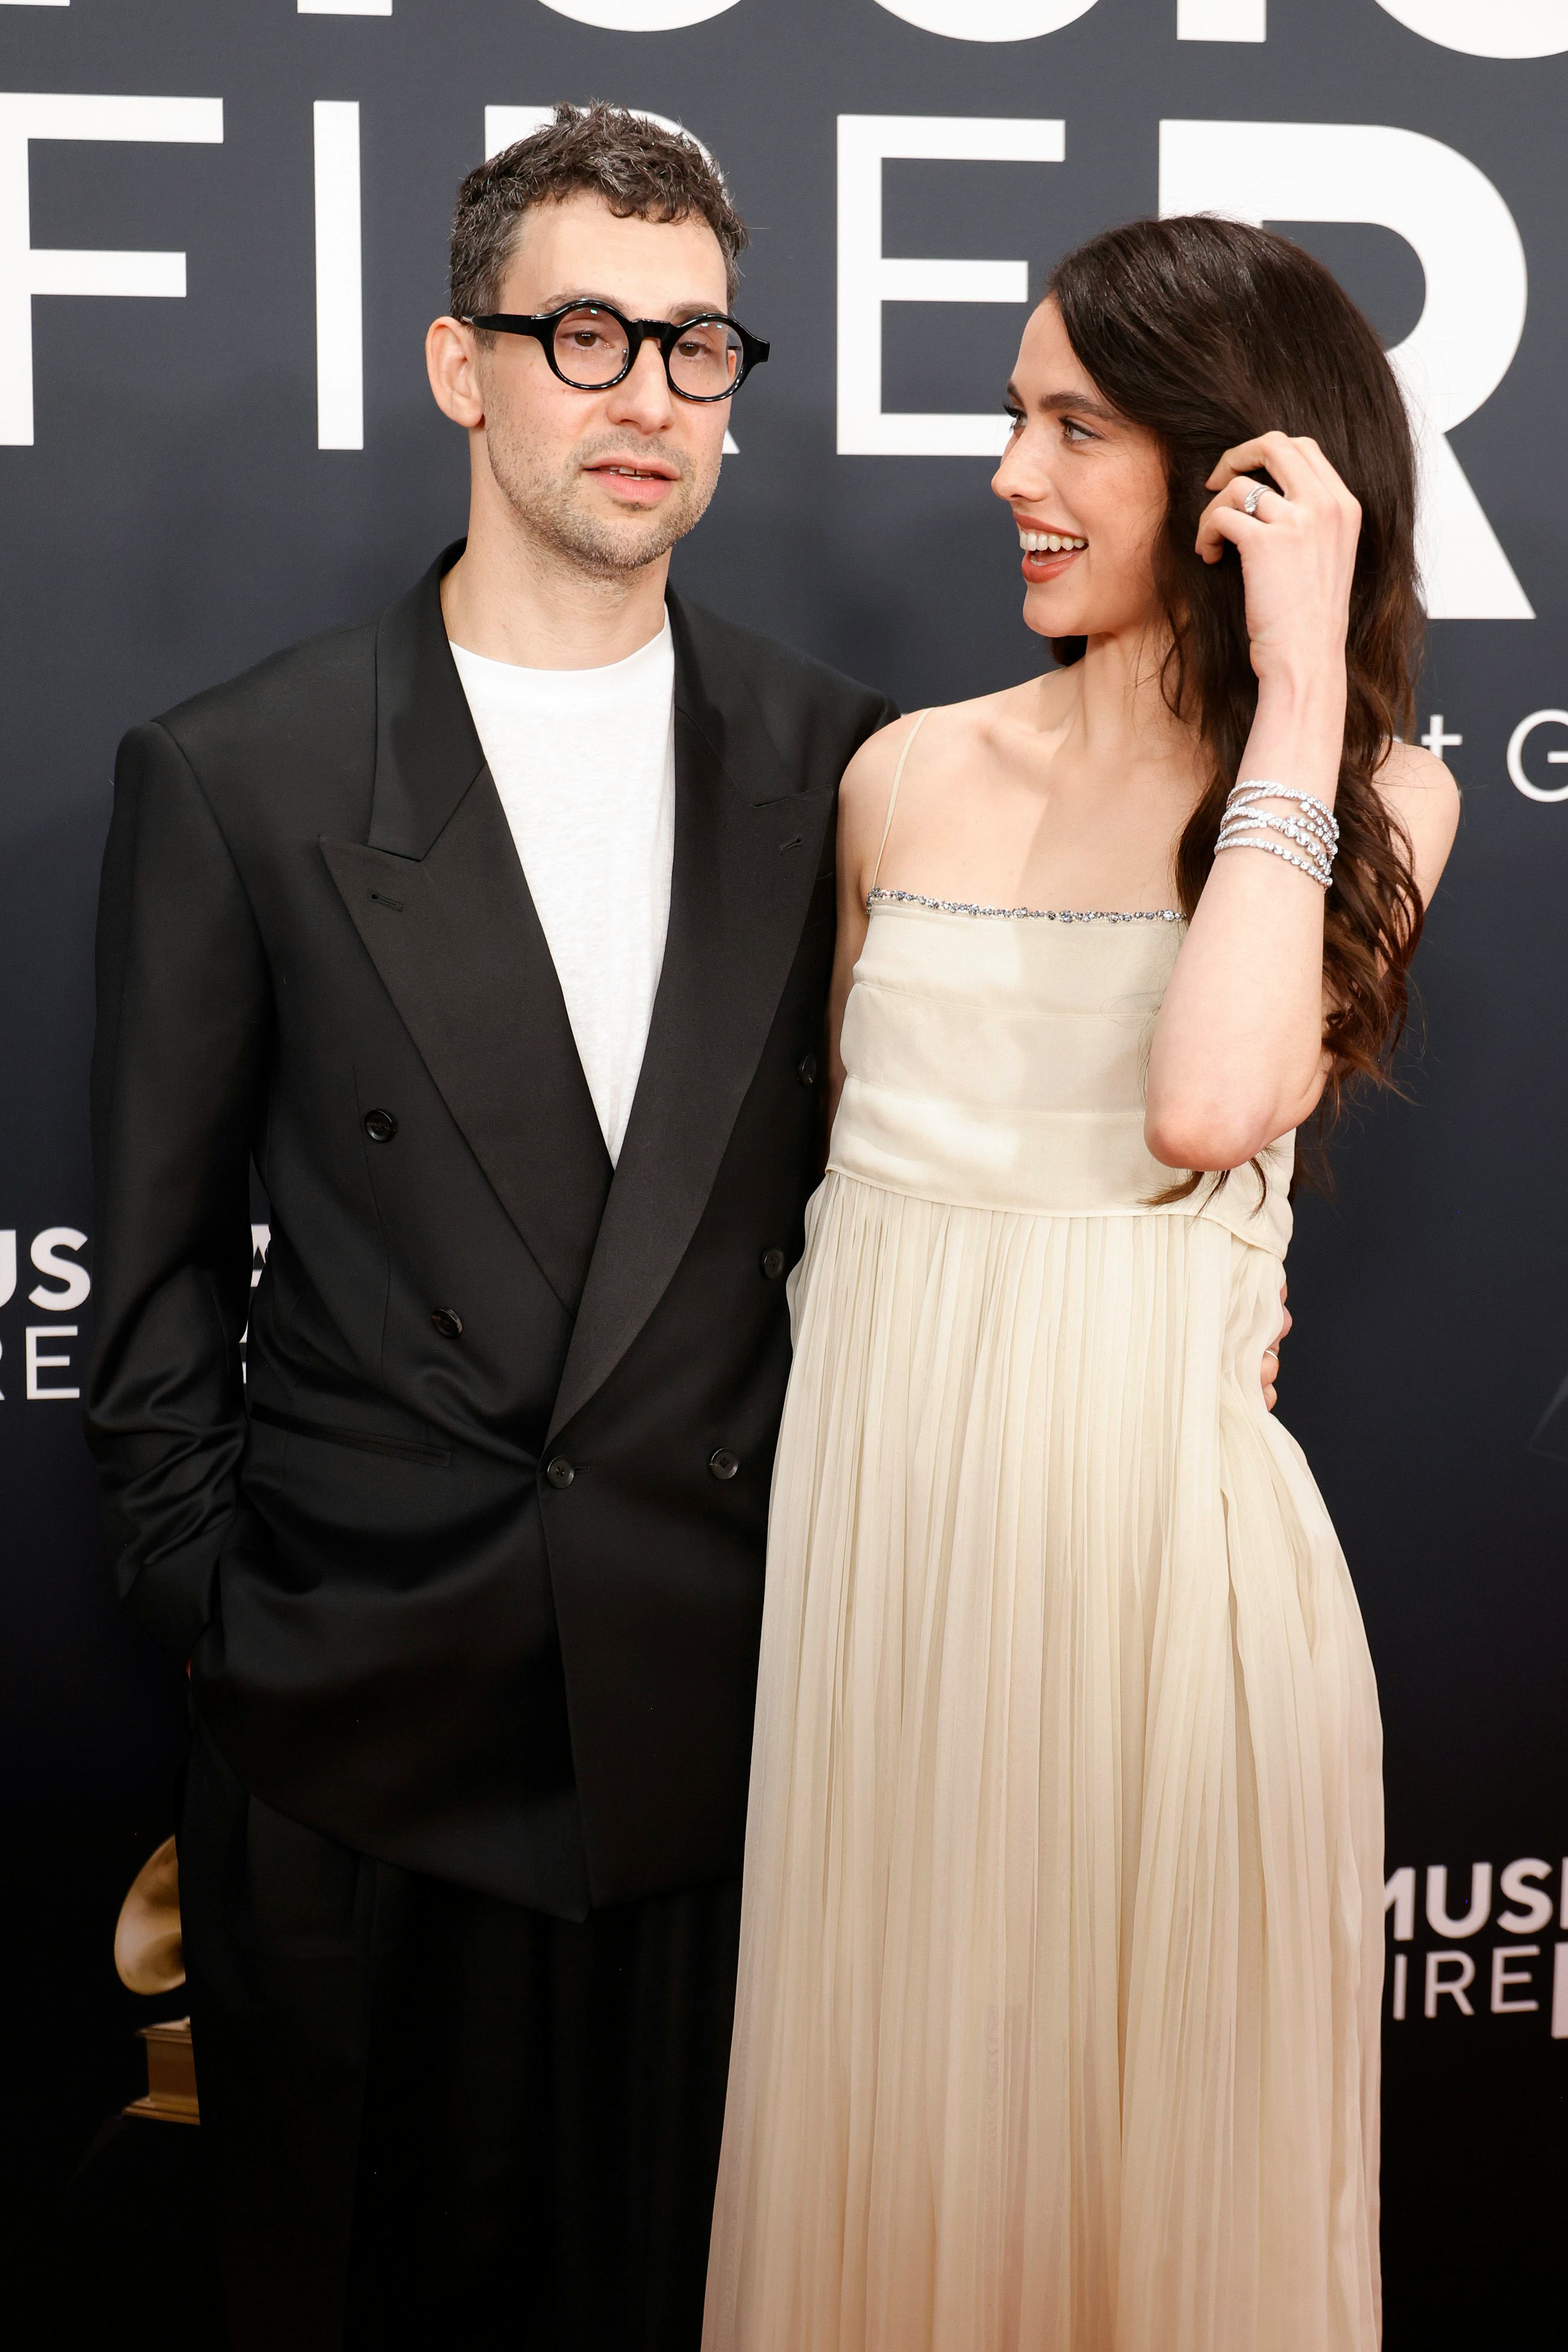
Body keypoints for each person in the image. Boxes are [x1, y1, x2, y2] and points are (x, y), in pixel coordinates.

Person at [84, 104, 896, 2352]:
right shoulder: (238, 773)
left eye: (698, 345)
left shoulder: (848, 768)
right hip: (361, 1746)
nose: (647, 396)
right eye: (586, 334)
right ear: (465, 367)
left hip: (730, 1752)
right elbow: (147, 1299)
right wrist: (243, 1639)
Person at [703, 215, 1459, 2352]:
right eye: (1015, 416)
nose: (1012, 472)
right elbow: (858, 1201)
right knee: (908, 2189)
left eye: (1074, 427)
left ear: (1238, 479)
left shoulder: (1376, 790)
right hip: (894, 1587)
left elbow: (1213, 1103)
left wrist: (1299, 686)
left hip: (1158, 1595)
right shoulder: (907, 775)